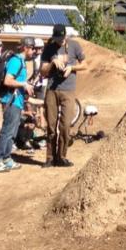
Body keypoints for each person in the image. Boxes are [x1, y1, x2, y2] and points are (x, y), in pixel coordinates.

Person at [40, 24, 87, 168]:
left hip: (68, 90)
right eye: (57, 38)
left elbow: (85, 65)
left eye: (62, 37)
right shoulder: (49, 48)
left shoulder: (75, 45)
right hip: (52, 90)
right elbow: (43, 71)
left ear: (65, 35)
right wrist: (52, 63)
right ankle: (50, 157)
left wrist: (71, 68)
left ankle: (62, 156)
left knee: (65, 125)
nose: (60, 40)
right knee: (51, 125)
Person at [0, 38, 37, 173]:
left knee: (12, 132)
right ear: (25, 47)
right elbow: (7, 80)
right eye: (32, 48)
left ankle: (6, 158)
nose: (34, 51)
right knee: (7, 131)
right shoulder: (16, 61)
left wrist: (25, 87)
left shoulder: (21, 61)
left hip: (17, 101)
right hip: (11, 101)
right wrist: (24, 84)